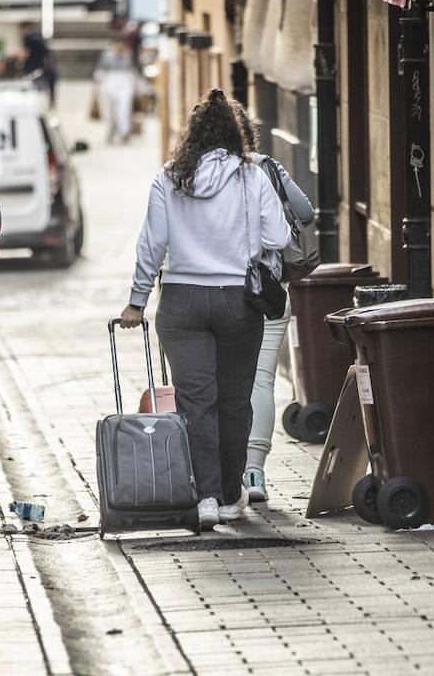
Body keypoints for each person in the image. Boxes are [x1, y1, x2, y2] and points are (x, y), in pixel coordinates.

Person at [119, 89, 291, 531]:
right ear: (238, 134)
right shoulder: (252, 176)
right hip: (238, 300)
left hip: (182, 302)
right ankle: (232, 495)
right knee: (235, 401)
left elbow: (151, 246)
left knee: (197, 402)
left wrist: (137, 301)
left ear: (191, 136)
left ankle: (206, 497)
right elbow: (280, 238)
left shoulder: (170, 177)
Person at [233, 106, 315, 503]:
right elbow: (305, 213)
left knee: (224, 383)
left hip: (222, 290)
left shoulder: (195, 174)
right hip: (267, 292)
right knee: (262, 380)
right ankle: (254, 473)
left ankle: (223, 475)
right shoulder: (267, 166)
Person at [94, 37, 136, 144]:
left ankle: (124, 132)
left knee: (124, 109)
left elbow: (131, 72)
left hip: (123, 83)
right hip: (109, 83)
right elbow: (100, 71)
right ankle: (111, 130)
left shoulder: (127, 56)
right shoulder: (107, 56)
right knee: (109, 110)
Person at [20, 21, 57, 107]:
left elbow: (26, 53)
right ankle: (46, 101)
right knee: (42, 85)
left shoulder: (28, 38)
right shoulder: (38, 37)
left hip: (32, 67)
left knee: (34, 86)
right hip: (42, 66)